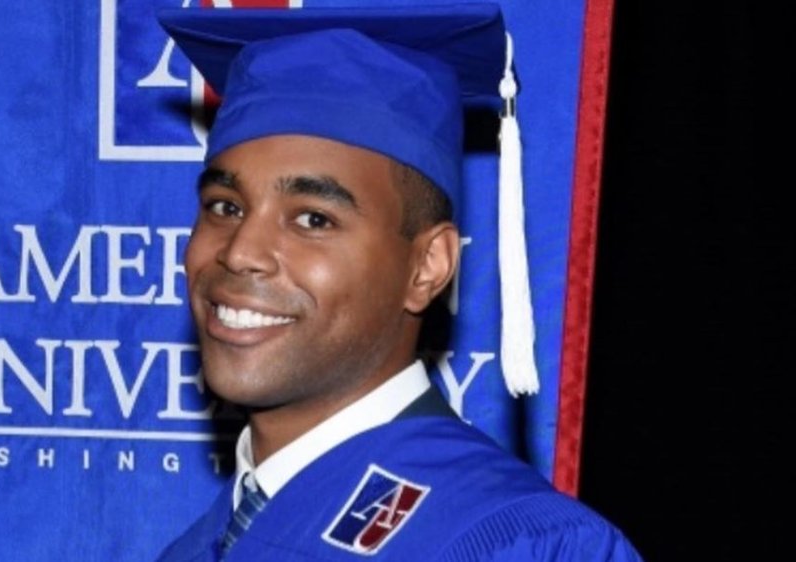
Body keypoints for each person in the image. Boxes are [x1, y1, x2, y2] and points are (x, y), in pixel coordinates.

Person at [155, 4, 642, 561]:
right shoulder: (197, 546)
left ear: (427, 266)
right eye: (224, 206)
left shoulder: (522, 545)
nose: (241, 253)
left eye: (314, 219)